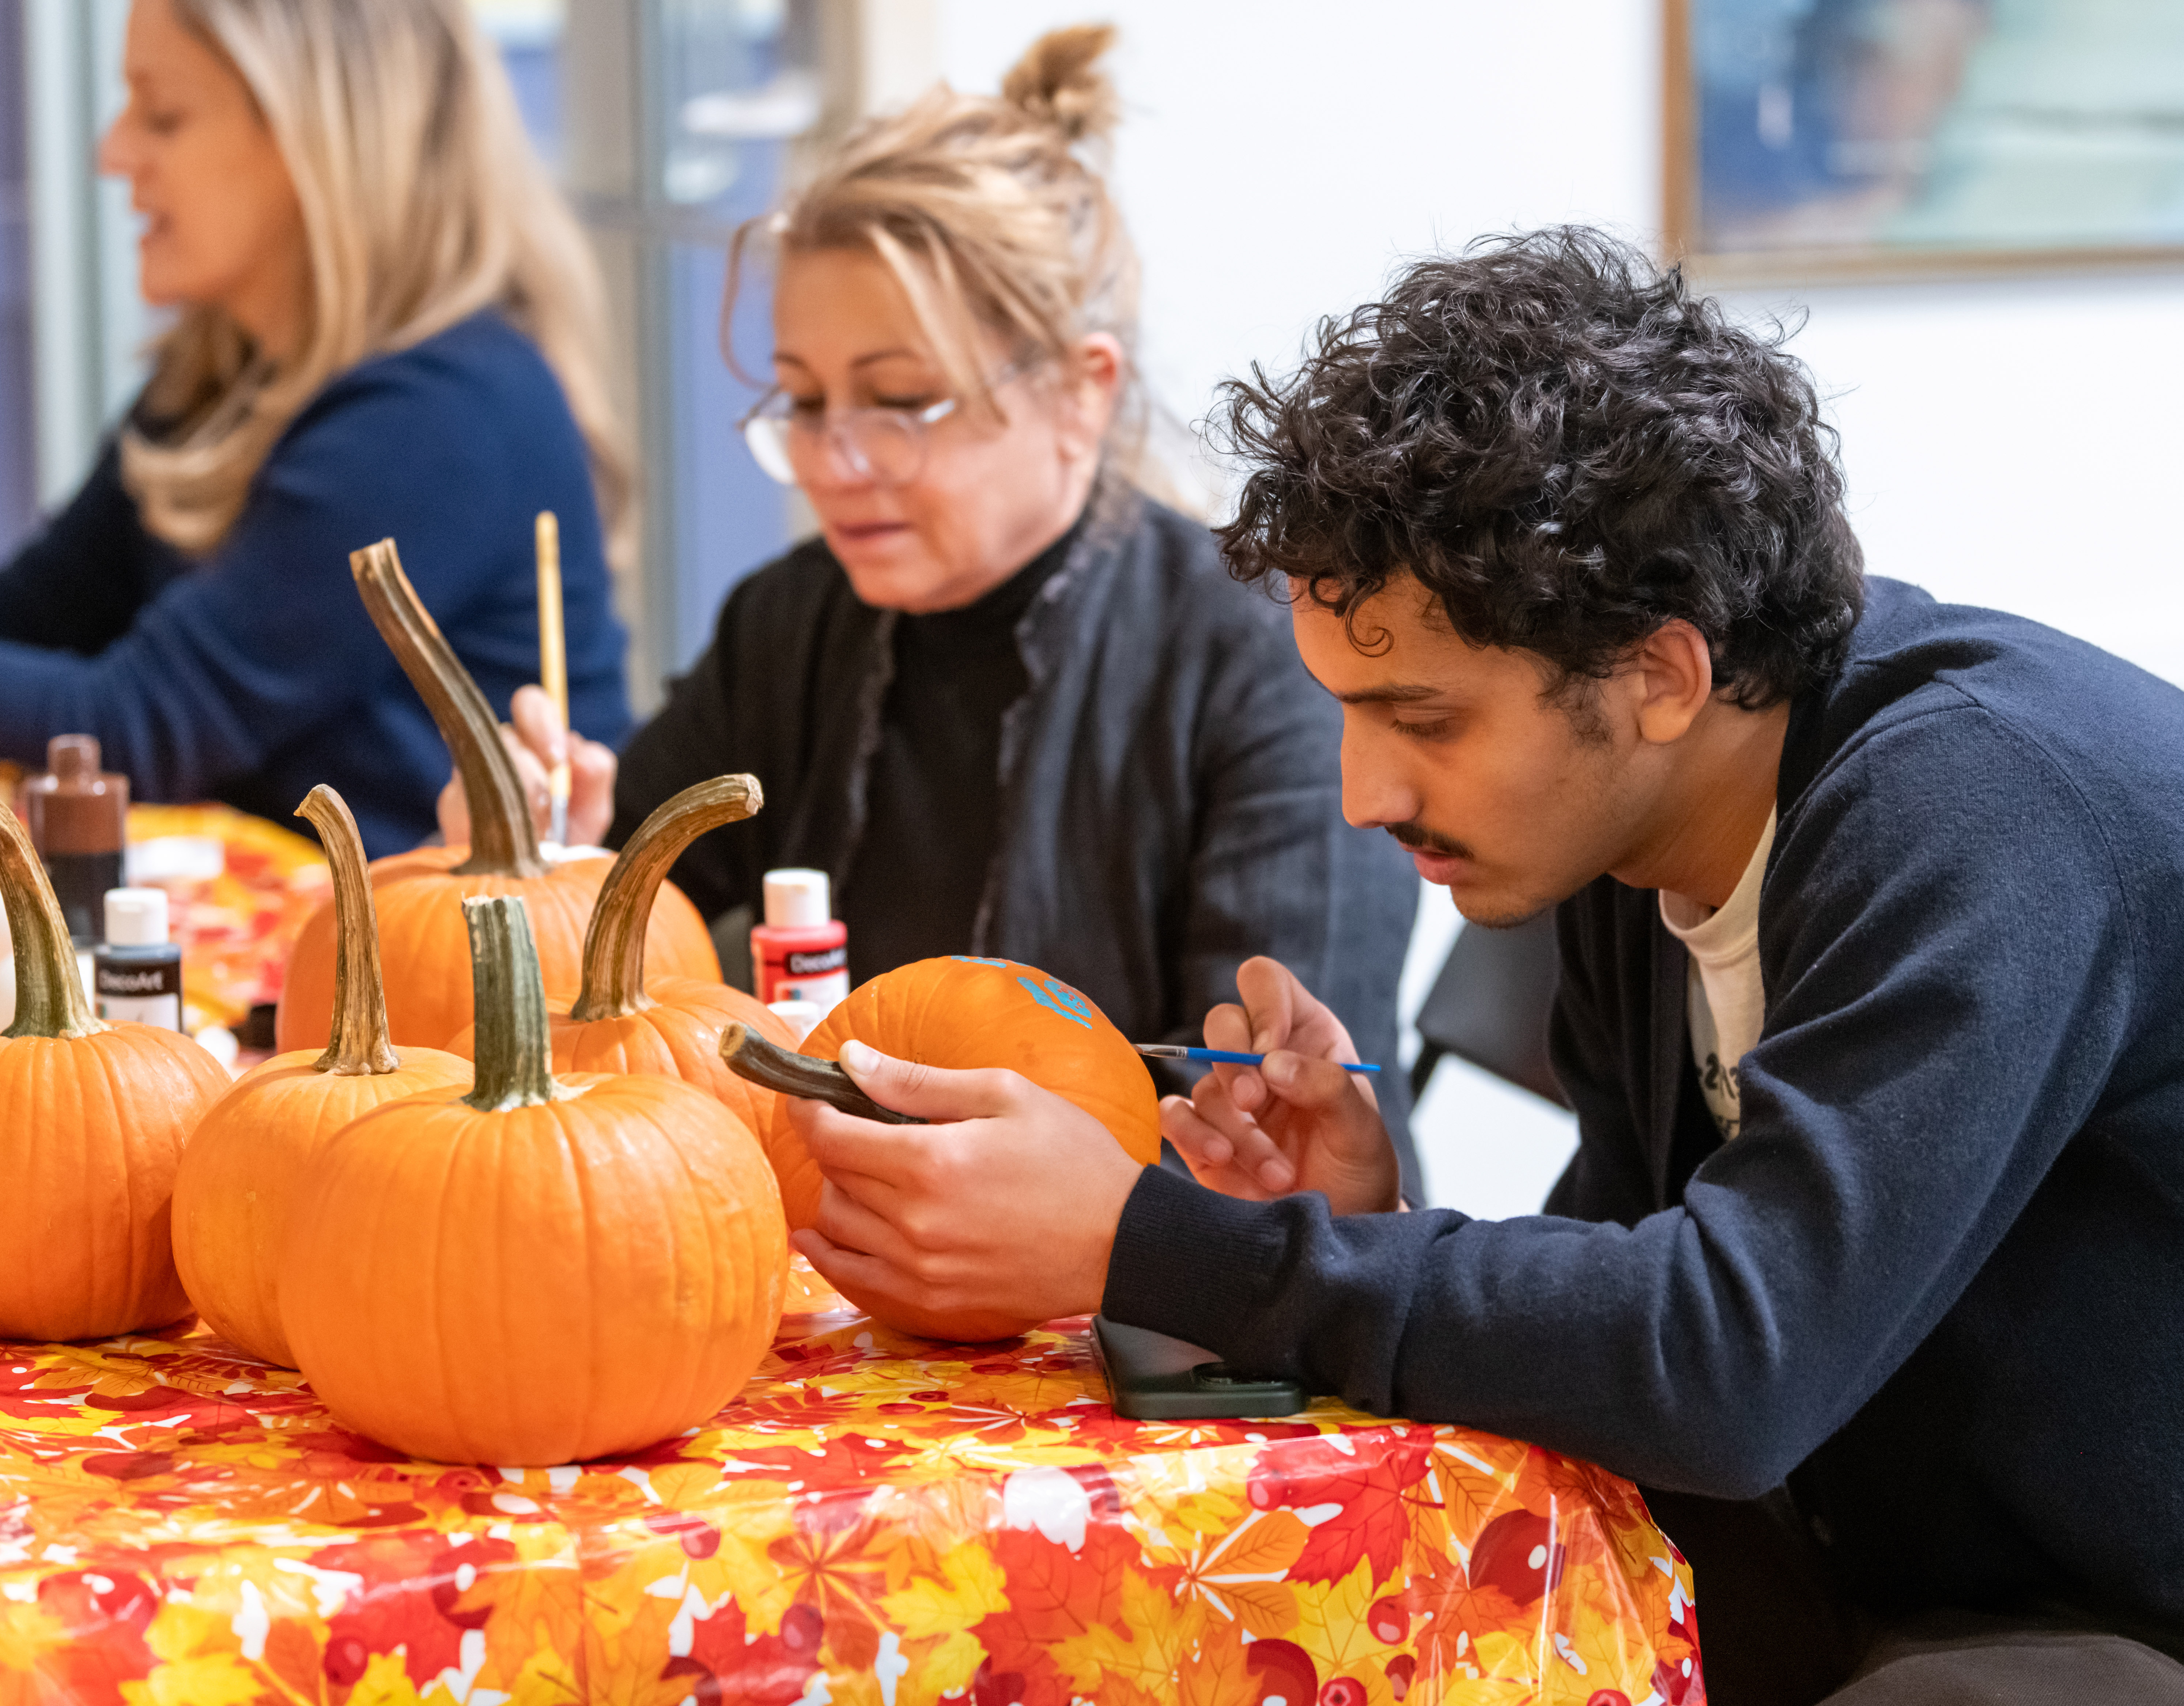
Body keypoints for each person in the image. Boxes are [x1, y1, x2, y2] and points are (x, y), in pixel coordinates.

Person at [781, 228, 2184, 1703]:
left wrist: (1147, 1241)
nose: (1361, 797)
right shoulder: (1624, 840)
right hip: (1874, 1550)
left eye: (1425, 722)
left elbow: (1727, 1365)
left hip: (2105, 1608)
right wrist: (1367, 1219)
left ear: (1657, 674)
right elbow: (1641, 1300)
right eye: (1346, 715)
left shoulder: (1976, 816)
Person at [451, 28, 1421, 1162]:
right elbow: (601, 973)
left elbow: (1293, 1146)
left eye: (899, 401)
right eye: (804, 403)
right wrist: (552, 866)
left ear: (1078, 392)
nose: (830, 461)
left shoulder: (1267, 666)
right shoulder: (791, 619)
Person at [0, 0, 631, 855]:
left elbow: (127, 731)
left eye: (163, 114)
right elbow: (21, 633)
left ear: (315, 144)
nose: (113, 153)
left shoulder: (443, 416)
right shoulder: (221, 373)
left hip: (423, 961)